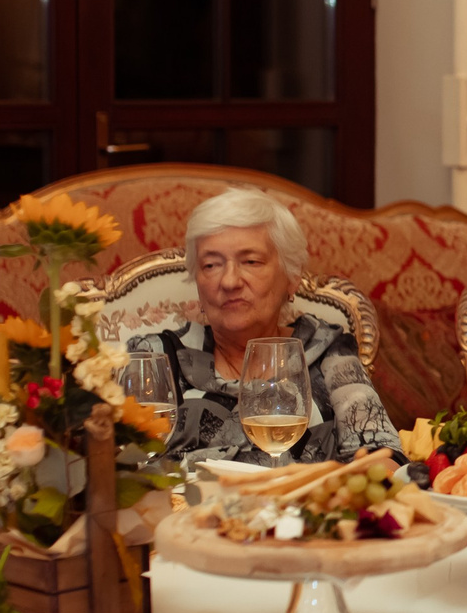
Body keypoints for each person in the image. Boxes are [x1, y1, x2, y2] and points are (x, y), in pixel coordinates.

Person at [128, 188, 398, 467]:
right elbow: (120, 467)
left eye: (251, 261)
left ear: (292, 277)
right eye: (210, 265)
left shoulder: (328, 351)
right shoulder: (156, 356)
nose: (229, 281)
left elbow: (382, 456)